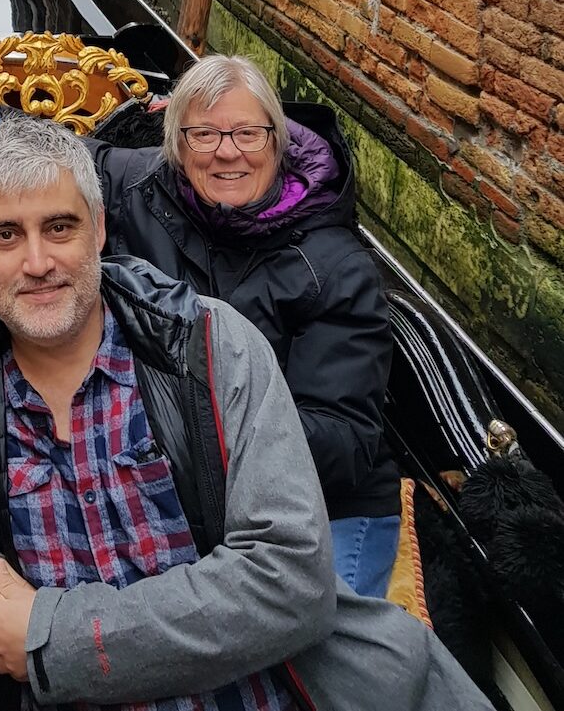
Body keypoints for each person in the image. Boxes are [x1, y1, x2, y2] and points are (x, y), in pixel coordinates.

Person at [0, 115, 492, 711]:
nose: (37, 263)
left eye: (59, 227)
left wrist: (53, 637)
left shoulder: (213, 343)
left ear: (98, 229)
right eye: (5, 235)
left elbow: (289, 579)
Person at [90, 55, 400, 598]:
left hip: (323, 502)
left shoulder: (336, 267)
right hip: (182, 484)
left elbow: (343, 440)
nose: (227, 152)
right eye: (204, 134)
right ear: (177, 145)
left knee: (322, 655)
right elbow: (47, 160)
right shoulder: (139, 186)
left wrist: (193, 433)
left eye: (248, 134)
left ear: (277, 142)